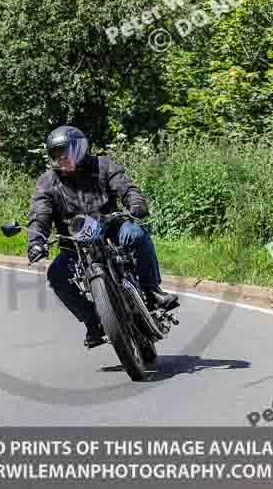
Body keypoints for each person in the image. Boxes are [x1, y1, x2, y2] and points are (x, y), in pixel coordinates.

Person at [27, 125, 178, 348]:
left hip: (111, 230)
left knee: (136, 233)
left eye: (65, 152)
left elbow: (126, 187)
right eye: (56, 155)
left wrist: (135, 202)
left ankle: (152, 290)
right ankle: (92, 321)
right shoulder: (47, 182)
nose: (62, 158)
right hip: (75, 245)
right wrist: (36, 241)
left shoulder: (103, 165)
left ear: (79, 148)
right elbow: (39, 214)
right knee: (57, 275)